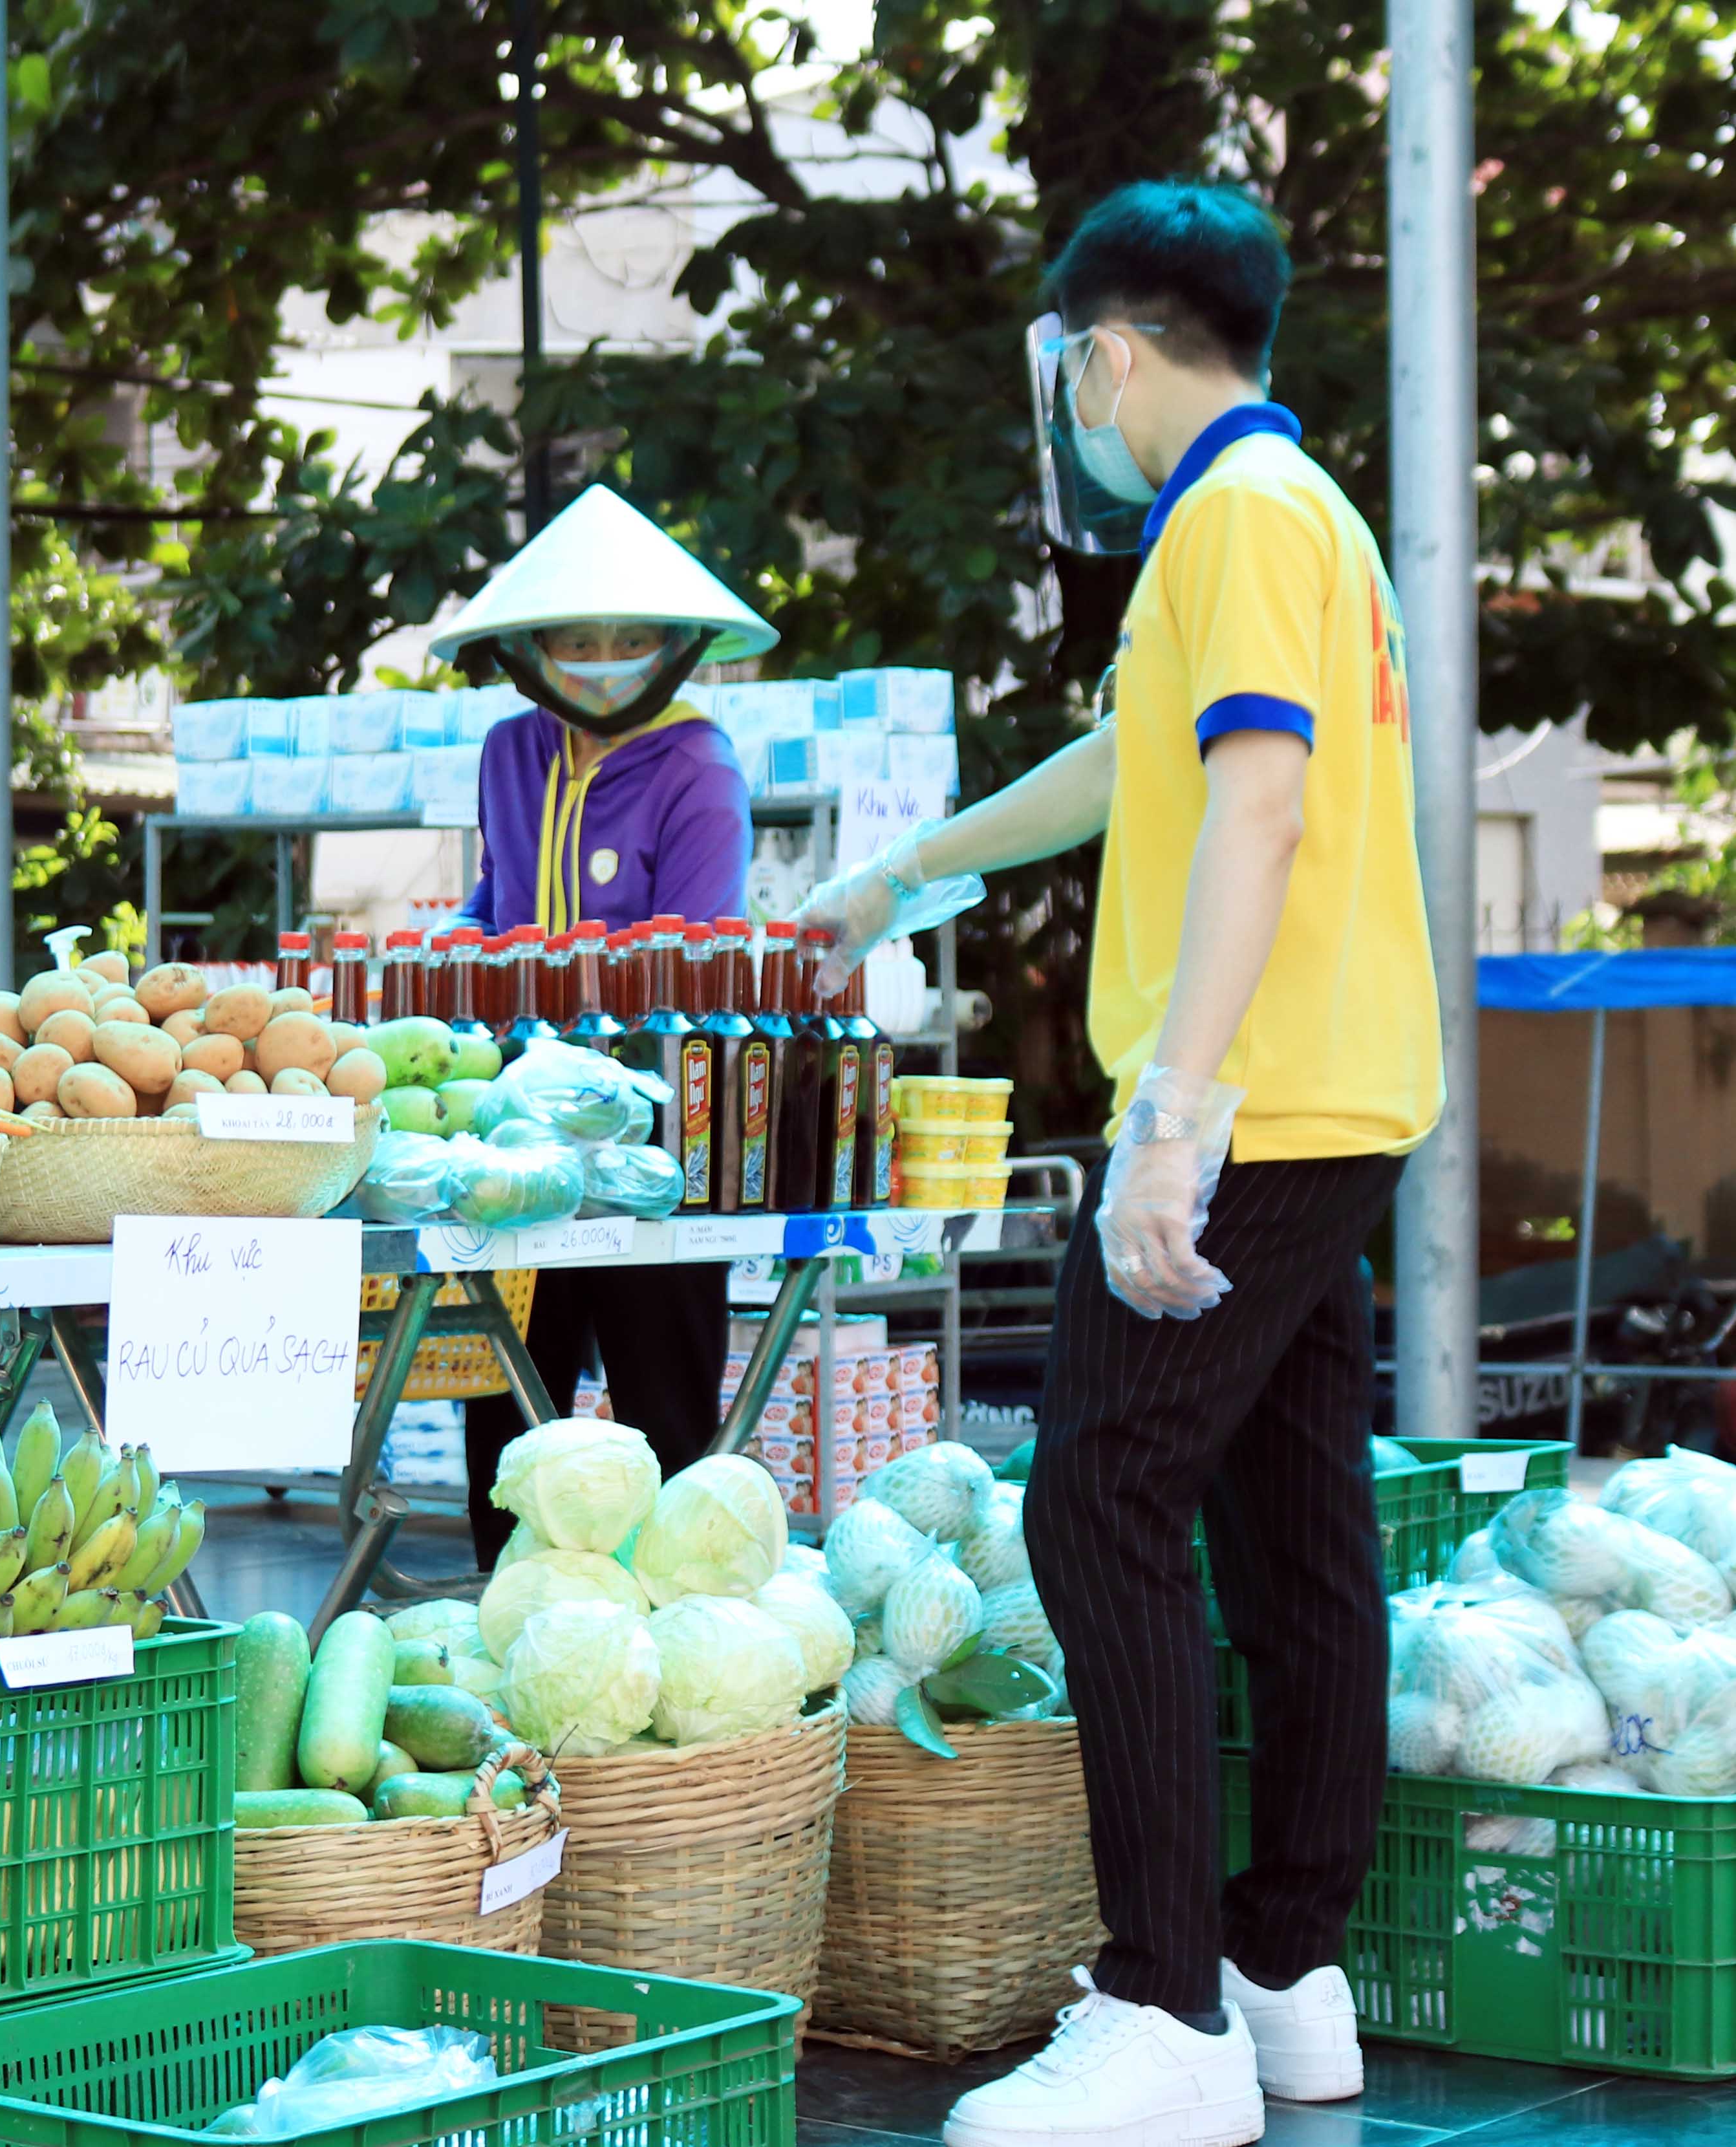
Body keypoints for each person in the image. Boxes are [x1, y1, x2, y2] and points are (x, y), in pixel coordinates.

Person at [802, 181, 1441, 2147]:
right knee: (1291, 1529)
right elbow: (1131, 772)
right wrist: (915, 864)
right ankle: (1281, 1971)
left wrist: (1172, 1115)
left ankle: (1166, 2016)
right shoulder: (1292, 514)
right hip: (1334, 1096)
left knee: (1098, 1502)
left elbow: (1252, 809)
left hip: (1245, 1105)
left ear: (1104, 352)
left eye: (1067, 366)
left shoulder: (1236, 518)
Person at [423, 484, 773, 1560]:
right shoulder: (509, 754)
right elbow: (501, 893)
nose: (607, 658)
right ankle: (508, 1601)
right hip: (519, 1139)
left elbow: (701, 951)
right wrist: (459, 936)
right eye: (581, 638)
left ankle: (675, 1607)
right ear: (532, 646)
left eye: (633, 639)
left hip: (654, 1134)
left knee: (663, 1409)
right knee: (508, 1397)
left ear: (675, 647)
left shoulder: (699, 769)